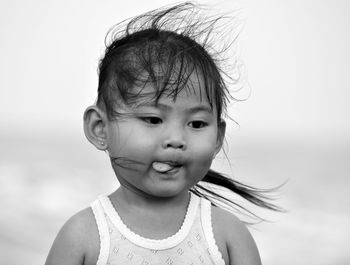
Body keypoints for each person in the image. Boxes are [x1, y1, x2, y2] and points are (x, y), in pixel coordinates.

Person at [45, 2, 279, 265]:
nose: (176, 140)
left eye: (197, 124)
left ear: (218, 137)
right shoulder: (85, 237)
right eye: (153, 119)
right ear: (100, 128)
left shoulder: (226, 236)